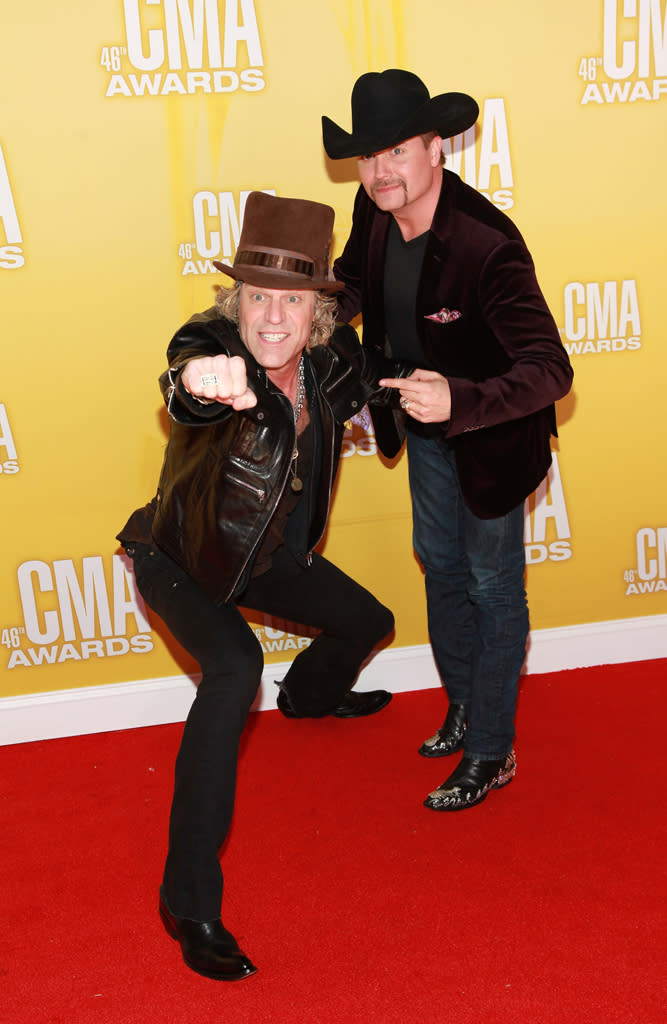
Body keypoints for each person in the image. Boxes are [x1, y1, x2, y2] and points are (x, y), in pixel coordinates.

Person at [117, 191, 408, 980]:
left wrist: (408, 408)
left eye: (290, 299)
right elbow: (187, 371)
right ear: (233, 301)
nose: (270, 317)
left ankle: (309, 699)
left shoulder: (332, 358)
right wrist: (202, 379)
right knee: (234, 670)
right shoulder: (216, 354)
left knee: (366, 619)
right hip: (183, 556)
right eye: (255, 297)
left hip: (268, 555)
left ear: (316, 312)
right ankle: (188, 902)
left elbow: (375, 373)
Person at [322, 69, 574, 812]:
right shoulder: (373, 211)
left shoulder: (485, 244)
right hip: (423, 428)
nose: (378, 173)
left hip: (491, 438)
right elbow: (354, 288)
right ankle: (464, 703)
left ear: (436, 148)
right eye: (367, 157)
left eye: (396, 152)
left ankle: (492, 751)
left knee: (493, 588)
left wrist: (459, 399)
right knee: (439, 567)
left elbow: (550, 370)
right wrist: (299, 312)